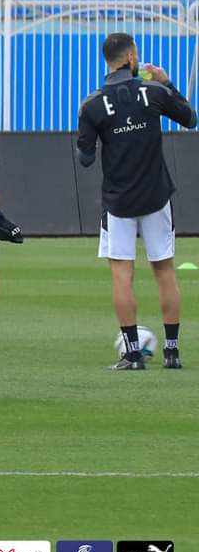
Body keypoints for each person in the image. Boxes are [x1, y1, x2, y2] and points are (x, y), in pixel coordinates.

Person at [77, 32, 197, 370]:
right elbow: (191, 118)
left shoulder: (92, 105)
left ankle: (132, 354)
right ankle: (172, 353)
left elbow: (85, 158)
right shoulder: (154, 92)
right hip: (156, 196)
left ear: (108, 60)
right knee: (165, 270)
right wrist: (167, 81)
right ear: (131, 57)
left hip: (118, 201)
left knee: (122, 274)